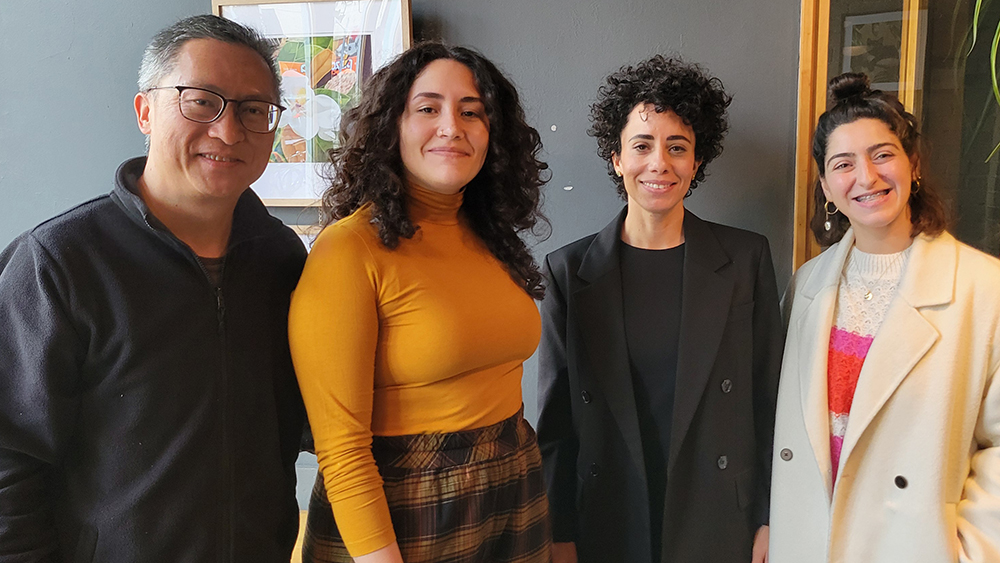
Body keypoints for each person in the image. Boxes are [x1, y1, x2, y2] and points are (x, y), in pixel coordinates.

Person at [0, 15, 306, 562]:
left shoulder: (282, 259)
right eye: (201, 100)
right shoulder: (58, 262)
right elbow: (8, 460)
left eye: (253, 109)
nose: (229, 131)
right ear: (145, 111)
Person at [288, 42, 551, 563]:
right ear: (392, 127)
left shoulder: (491, 237)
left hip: (513, 485)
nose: (452, 127)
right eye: (428, 108)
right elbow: (341, 451)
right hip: (400, 514)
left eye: (471, 112)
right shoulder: (349, 248)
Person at [535, 55, 782, 563]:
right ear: (616, 158)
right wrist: (559, 530)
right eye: (642, 146)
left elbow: (768, 398)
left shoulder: (745, 258)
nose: (659, 164)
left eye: (677, 148)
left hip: (719, 517)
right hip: (606, 516)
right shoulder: (569, 270)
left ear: (696, 161)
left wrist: (767, 517)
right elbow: (555, 421)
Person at [768, 73, 1000, 562]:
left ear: (913, 165)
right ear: (827, 187)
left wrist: (971, 550)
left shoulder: (984, 287)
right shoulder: (806, 286)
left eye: (882, 154)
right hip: (810, 542)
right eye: (843, 164)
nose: (867, 177)